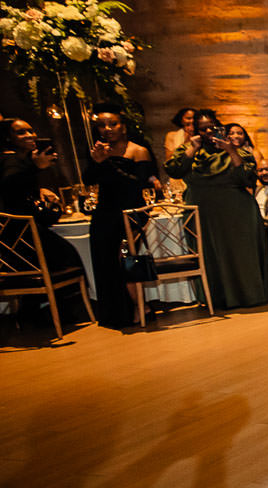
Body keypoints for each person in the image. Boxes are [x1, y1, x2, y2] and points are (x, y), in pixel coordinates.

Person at [164, 118, 268, 310]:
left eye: (213, 128)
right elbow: (174, 170)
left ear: (221, 129)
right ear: (196, 131)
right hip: (202, 212)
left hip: (237, 212)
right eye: (203, 129)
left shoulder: (239, 151)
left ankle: (250, 295)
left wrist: (230, 150)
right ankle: (217, 298)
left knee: (242, 255)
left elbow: (247, 178)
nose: (209, 132)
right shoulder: (188, 150)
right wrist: (192, 148)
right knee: (210, 255)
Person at [83, 105, 157, 328]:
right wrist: (97, 162)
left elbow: (137, 184)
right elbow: (88, 181)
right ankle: (116, 313)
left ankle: (140, 307)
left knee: (124, 257)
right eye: (102, 125)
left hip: (131, 212)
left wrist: (106, 163)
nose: (107, 129)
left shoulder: (138, 151)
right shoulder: (98, 152)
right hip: (104, 213)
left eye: (112, 124)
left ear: (123, 126)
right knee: (105, 261)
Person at [2, 117, 85, 279]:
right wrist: (36, 167)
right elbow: (10, 186)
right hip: (21, 239)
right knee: (70, 257)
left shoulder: (21, 162)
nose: (30, 135)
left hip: (16, 240)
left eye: (31, 131)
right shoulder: (10, 160)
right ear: (7, 137)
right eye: (21, 132)